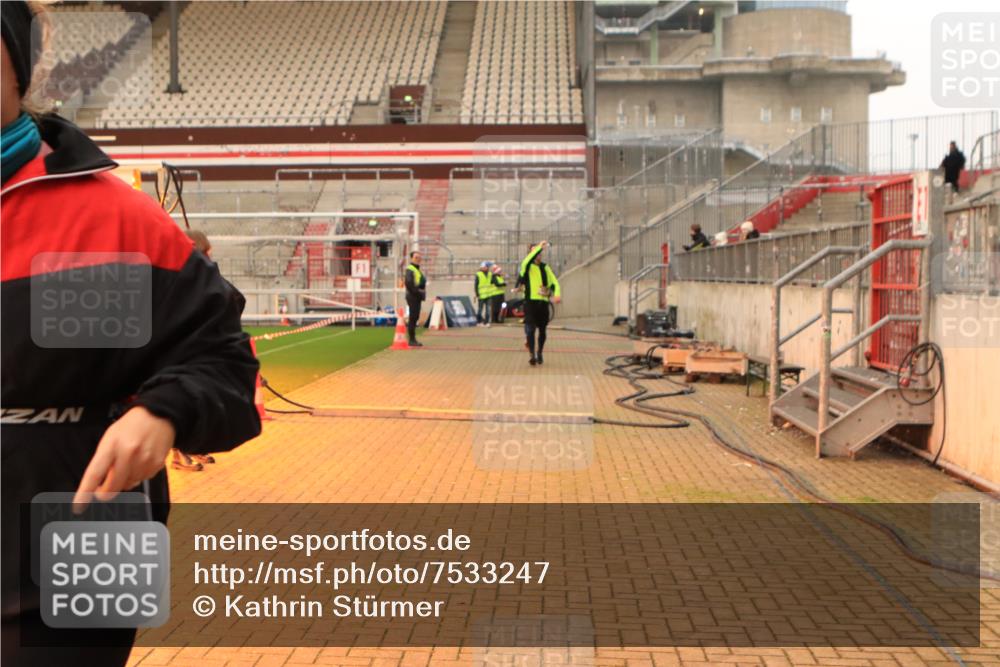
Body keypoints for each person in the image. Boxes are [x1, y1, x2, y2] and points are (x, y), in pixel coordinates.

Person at [1, 3, 261, 663]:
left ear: (19, 67)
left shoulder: (114, 218)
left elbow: (223, 363)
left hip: (84, 543)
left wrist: (163, 411)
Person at [518, 241, 561, 366]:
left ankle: (540, 352)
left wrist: (556, 294)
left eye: (539, 252)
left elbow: (555, 282)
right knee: (530, 330)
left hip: (543, 303)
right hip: (530, 303)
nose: (537, 254)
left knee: (542, 330)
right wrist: (538, 248)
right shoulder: (527, 266)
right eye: (534, 252)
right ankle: (532, 354)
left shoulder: (545, 267)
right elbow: (526, 262)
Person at [404, 250, 426, 346]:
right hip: (413, 296)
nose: (418, 259)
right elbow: (409, 283)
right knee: (413, 318)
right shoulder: (410, 269)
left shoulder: (417, 269)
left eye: (419, 257)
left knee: (415, 317)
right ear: (411, 258)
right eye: (416, 257)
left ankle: (412, 339)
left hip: (416, 296)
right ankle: (411, 340)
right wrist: (417, 292)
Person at [474, 260, 492, 326]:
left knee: (488, 310)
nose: (487, 268)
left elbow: (492, 282)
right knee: (480, 309)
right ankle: (479, 322)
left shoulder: (490, 274)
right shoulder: (478, 274)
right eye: (486, 267)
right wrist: (477, 294)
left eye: (487, 267)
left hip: (488, 295)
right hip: (481, 295)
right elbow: (476, 285)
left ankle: (487, 322)